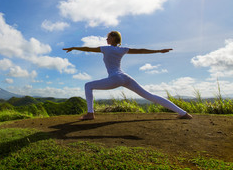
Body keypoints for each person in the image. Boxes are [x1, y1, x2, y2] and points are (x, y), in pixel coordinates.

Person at [63, 31, 193, 120]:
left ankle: (90, 113)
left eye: (108, 37)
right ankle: (183, 113)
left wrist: (74, 47)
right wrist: (159, 51)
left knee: (88, 85)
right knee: (149, 95)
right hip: (125, 77)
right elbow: (141, 51)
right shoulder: (122, 49)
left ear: (113, 38)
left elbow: (88, 48)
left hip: (115, 78)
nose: (106, 39)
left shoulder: (106, 48)